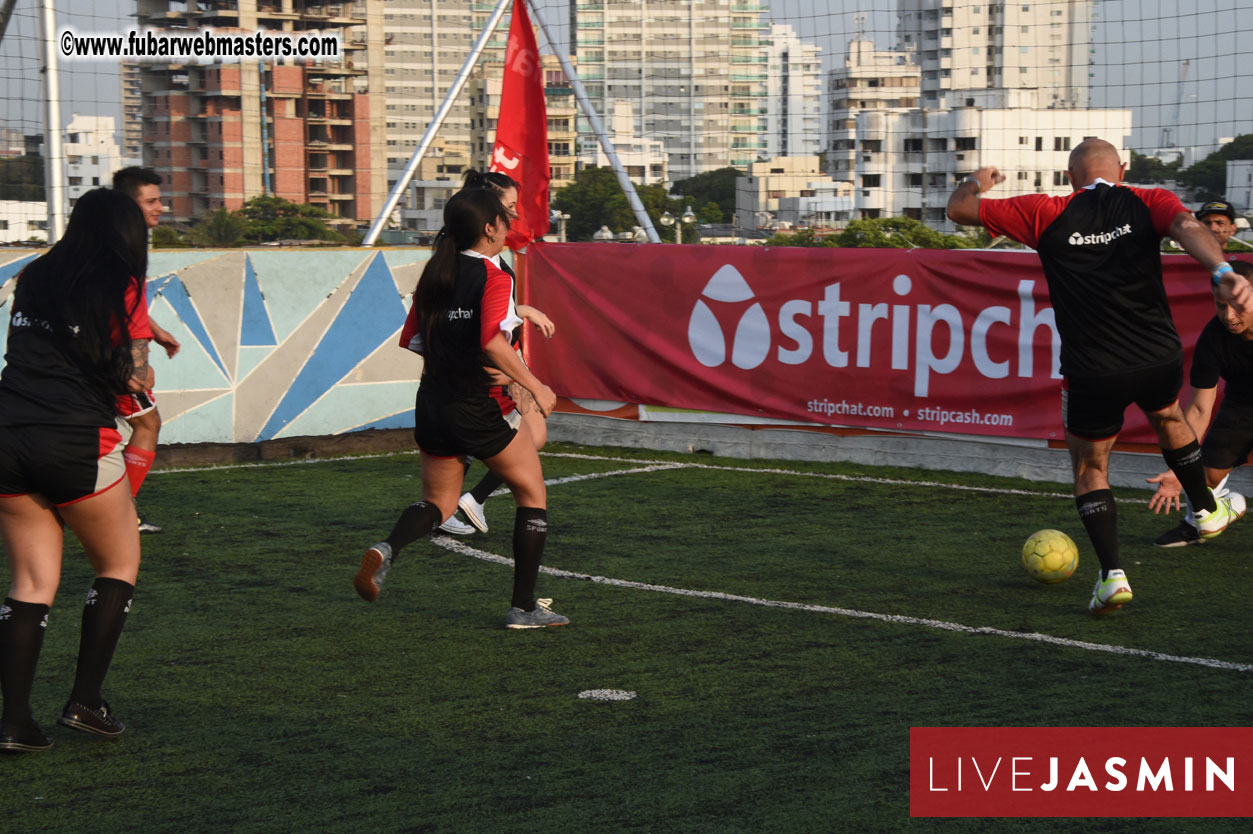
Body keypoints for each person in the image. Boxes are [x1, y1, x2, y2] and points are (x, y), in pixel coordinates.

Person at [947, 138, 1253, 613]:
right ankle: (1207, 509)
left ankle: (1112, 576)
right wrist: (1222, 270)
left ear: (1070, 177)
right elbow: (1187, 225)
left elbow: (960, 210)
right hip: (1158, 356)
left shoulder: (1043, 211)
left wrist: (976, 182)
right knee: (1169, 416)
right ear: (1123, 170)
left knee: (1091, 468)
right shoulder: (1146, 199)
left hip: (1092, 370)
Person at [353, 187, 567, 629]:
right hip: (473, 406)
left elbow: (413, 341)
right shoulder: (494, 275)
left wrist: (467, 363)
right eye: (505, 218)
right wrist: (533, 384)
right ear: (490, 228)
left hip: (431, 401)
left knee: (439, 501)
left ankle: (387, 548)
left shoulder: (437, 272)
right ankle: (524, 608)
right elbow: (490, 339)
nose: (509, 224)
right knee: (532, 493)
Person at [0, 188, 153, 752]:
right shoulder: (124, 286)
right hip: (74, 438)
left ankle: (14, 722)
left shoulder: (35, 275)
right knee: (119, 560)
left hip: (7, 432)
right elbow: (138, 375)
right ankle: (84, 702)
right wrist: (136, 368)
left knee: (31, 584)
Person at [438, 169, 557, 537]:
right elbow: (482, 327)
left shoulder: (471, 257)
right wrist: (519, 375)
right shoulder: (478, 260)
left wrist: (521, 312)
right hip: (492, 362)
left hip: (491, 360)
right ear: (488, 218)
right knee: (527, 442)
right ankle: (465, 503)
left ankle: (456, 505)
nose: (514, 216)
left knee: (528, 435)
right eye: (508, 208)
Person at [1148, 260, 1253, 545]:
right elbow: (1198, 408)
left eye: (1236, 305)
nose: (1229, 316)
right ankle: (1198, 524)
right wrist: (1179, 469)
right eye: (1221, 306)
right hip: (1242, 406)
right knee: (1201, 477)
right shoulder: (1213, 339)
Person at [111, 167, 182, 534]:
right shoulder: (121, 246)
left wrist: (158, 331)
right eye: (151, 201)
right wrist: (134, 363)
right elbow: (116, 306)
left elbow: (129, 301)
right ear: (128, 205)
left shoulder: (120, 241)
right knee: (147, 424)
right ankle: (121, 514)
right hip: (113, 361)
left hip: (93, 361)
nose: (161, 208)